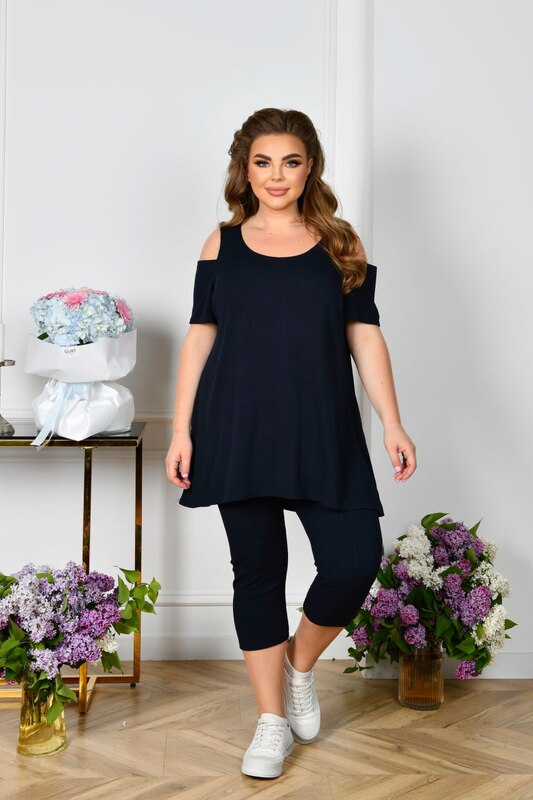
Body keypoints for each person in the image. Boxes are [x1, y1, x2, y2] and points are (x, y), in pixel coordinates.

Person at [165, 107, 416, 779]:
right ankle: (270, 721)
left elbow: (364, 334)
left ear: (310, 168)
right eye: (263, 162)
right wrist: (182, 429)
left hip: (321, 428)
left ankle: (299, 665)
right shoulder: (221, 244)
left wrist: (391, 421)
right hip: (236, 426)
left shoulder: (340, 242)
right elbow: (200, 337)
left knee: (353, 560)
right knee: (257, 572)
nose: (276, 176)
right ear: (244, 171)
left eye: (291, 162)